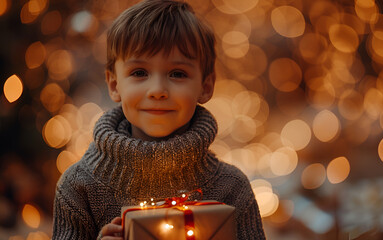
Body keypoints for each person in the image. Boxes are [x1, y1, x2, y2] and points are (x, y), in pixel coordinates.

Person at [52, 0, 265, 239]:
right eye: (139, 73)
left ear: (205, 86)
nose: (157, 90)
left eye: (177, 74)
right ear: (114, 85)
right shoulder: (79, 187)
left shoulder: (231, 188)